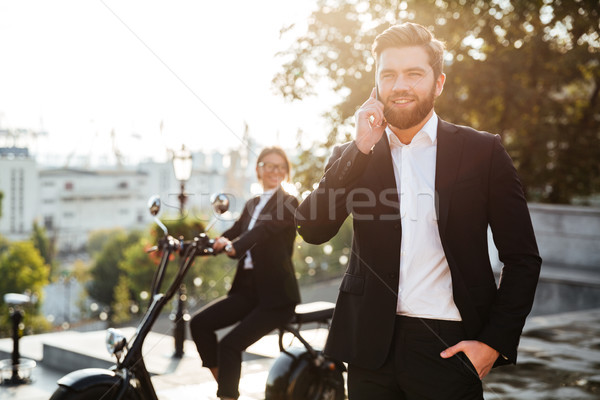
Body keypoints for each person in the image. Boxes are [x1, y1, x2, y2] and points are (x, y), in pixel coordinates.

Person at [295, 22, 541, 399]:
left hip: (449, 347)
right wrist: (358, 150)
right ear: (376, 85)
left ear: (438, 82)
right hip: (369, 351)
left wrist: (493, 343)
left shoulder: (483, 152)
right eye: (388, 75)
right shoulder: (354, 155)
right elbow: (312, 228)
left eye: (414, 74)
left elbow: (522, 258)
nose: (400, 85)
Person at [189, 146, 300, 400]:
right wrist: (193, 247)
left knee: (230, 345)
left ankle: (227, 395)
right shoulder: (252, 204)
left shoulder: (289, 202)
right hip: (248, 291)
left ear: (286, 172)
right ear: (258, 169)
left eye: (280, 167)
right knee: (199, 324)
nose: (275, 171)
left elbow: (261, 231)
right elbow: (234, 232)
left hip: (276, 297)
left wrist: (234, 247)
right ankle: (225, 389)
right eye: (269, 165)